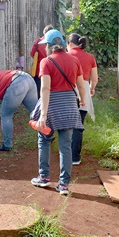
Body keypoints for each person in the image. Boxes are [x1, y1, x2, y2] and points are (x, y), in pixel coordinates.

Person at [30, 29, 88, 195]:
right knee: (66, 146)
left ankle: (44, 177)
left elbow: (45, 88)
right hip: (69, 104)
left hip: (52, 104)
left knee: (44, 139)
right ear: (62, 44)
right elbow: (81, 85)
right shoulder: (74, 60)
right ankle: (63, 185)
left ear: (48, 46)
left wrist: (43, 115)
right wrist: (82, 100)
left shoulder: (46, 62)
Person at [67, 33, 98, 165]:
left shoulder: (67, 56)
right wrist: (92, 88)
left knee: (67, 123)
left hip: (68, 89)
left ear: (69, 44)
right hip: (83, 88)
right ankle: (75, 157)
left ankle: (65, 153)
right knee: (79, 125)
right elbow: (94, 78)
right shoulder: (90, 57)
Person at [29, 25, 54, 95]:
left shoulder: (38, 42)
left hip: (39, 71)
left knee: (40, 92)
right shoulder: (55, 42)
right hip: (52, 70)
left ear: (44, 32)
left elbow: (32, 54)